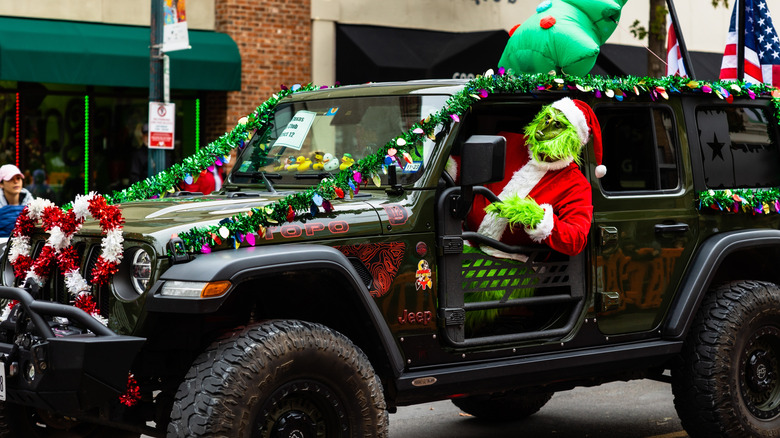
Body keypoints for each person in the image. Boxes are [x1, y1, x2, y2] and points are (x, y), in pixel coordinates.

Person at [0, 164, 33, 238]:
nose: (16, 181)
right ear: (1, 184)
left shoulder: (31, 202)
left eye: (18, 178)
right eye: (10, 179)